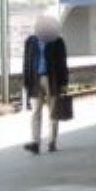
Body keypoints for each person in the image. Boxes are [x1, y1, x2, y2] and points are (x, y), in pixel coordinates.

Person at [22, 13, 69, 154]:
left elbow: (62, 63)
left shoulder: (57, 41)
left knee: (53, 111)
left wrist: (64, 82)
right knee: (35, 111)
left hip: (52, 79)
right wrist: (26, 82)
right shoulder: (30, 41)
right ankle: (35, 143)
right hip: (35, 79)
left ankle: (51, 142)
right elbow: (26, 62)